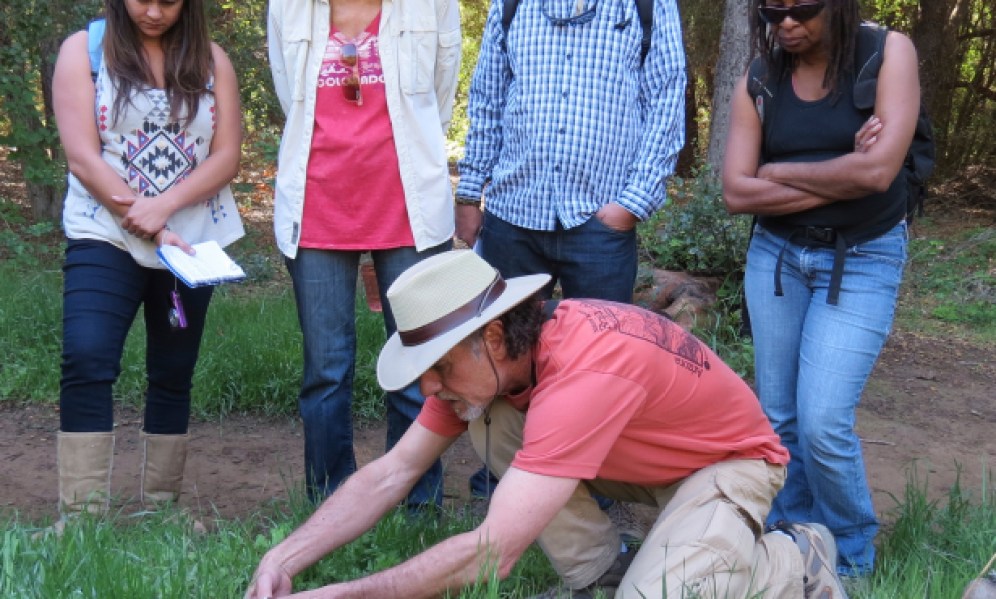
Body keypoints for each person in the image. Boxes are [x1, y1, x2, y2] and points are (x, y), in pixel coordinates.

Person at [245, 249, 850, 598]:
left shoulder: (584, 371)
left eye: (438, 367)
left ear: (492, 336)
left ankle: (793, 558)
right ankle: (601, 573)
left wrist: (344, 595)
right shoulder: (494, 369)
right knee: (489, 418)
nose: (427, 387)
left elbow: (492, 553)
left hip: (728, 466)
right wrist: (284, 558)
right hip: (642, 458)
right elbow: (393, 472)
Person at [454, 0, 687, 500]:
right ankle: (500, 477)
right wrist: (471, 192)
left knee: (600, 364)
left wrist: (633, 202)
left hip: (599, 221)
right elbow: (488, 96)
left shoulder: (647, 6)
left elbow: (666, 98)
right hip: (514, 212)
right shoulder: (511, 6)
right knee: (501, 350)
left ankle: (591, 485)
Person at [721, 0, 922, 579]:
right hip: (776, 257)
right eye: (771, 10)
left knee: (824, 421)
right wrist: (843, 169)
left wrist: (776, 171)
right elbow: (736, 192)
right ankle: (798, 544)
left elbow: (879, 174)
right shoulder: (760, 77)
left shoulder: (886, 53)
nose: (785, 23)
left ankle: (852, 557)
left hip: (862, 256)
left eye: (801, 9)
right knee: (778, 416)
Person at [50, 0, 244, 524]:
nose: (154, 11)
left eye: (169, 1)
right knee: (87, 355)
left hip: (189, 248)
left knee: (173, 369)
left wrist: (167, 209)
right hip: (103, 233)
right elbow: (82, 157)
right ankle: (81, 521)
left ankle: (162, 510)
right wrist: (149, 220)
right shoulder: (83, 52)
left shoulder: (212, 61)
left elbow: (227, 155)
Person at [267, 0, 461, 507]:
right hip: (317, 208)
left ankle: (415, 507)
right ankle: (332, 505)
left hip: (408, 209)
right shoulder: (287, 7)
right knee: (326, 372)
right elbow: (291, 97)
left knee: (418, 365)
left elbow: (439, 98)